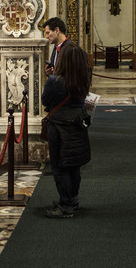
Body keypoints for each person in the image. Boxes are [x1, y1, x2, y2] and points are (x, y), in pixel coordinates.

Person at [41, 44, 93, 218]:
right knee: (73, 165)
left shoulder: (55, 81)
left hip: (59, 126)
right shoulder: (84, 78)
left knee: (59, 166)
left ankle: (65, 206)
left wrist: (50, 76)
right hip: (78, 124)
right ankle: (73, 199)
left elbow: (45, 101)